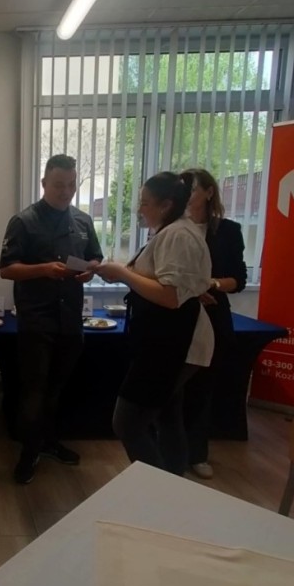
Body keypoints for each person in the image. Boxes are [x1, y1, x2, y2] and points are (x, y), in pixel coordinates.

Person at [96, 172, 214, 475]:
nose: (139, 210)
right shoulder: (171, 232)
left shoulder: (178, 235)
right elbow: (164, 281)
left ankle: (156, 488)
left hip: (174, 344)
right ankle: (172, 485)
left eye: (145, 203)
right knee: (167, 416)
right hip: (166, 339)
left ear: (166, 205)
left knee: (128, 422)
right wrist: (119, 272)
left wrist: (123, 273)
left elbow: (170, 296)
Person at [0, 154, 103, 485]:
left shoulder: (83, 220)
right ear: (44, 183)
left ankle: (49, 441)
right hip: (37, 320)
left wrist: (90, 270)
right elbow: (6, 269)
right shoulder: (23, 221)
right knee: (34, 392)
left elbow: (95, 257)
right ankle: (28, 452)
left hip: (71, 319)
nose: (66, 191)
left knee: (57, 390)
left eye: (71, 185)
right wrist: (44, 269)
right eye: (59, 185)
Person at [180, 168, 247, 479]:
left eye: (193, 189)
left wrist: (211, 284)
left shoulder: (228, 231)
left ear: (209, 192)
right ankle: (171, 450)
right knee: (174, 388)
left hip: (212, 315)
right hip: (177, 316)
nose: (187, 195)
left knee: (202, 389)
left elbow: (238, 280)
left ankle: (197, 453)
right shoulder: (173, 228)